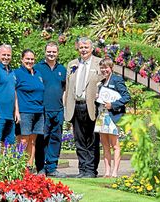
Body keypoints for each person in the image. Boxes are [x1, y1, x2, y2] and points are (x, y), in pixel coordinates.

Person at [64, 37, 103, 178]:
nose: (84, 49)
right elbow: (68, 88)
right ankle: (82, 169)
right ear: (78, 48)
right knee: (79, 140)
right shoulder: (72, 64)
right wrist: (66, 106)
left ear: (91, 48)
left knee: (92, 139)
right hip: (76, 105)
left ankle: (91, 170)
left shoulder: (99, 63)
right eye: (81, 47)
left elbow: (105, 82)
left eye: (86, 47)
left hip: (92, 106)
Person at [34, 42, 67, 178]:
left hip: (58, 110)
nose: (51, 54)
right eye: (49, 51)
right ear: (45, 52)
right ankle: (41, 168)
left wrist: (63, 107)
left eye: (54, 52)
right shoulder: (37, 68)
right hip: (43, 110)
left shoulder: (62, 69)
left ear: (57, 53)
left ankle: (52, 168)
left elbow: (65, 89)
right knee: (42, 139)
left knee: (55, 139)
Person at [94, 58, 131, 178]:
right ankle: (107, 172)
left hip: (112, 116)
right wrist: (97, 98)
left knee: (115, 146)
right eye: (102, 68)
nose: (104, 70)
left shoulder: (117, 80)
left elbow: (126, 97)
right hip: (102, 116)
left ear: (111, 68)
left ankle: (115, 172)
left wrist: (113, 105)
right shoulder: (101, 82)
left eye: (106, 67)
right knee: (105, 146)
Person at [14, 49, 45, 171]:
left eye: (32, 59)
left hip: (38, 111)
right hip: (25, 111)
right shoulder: (17, 73)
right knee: (23, 140)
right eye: (27, 59)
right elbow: (14, 92)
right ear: (22, 59)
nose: (30, 61)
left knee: (33, 140)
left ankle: (30, 167)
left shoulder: (37, 74)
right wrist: (16, 111)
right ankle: (19, 166)